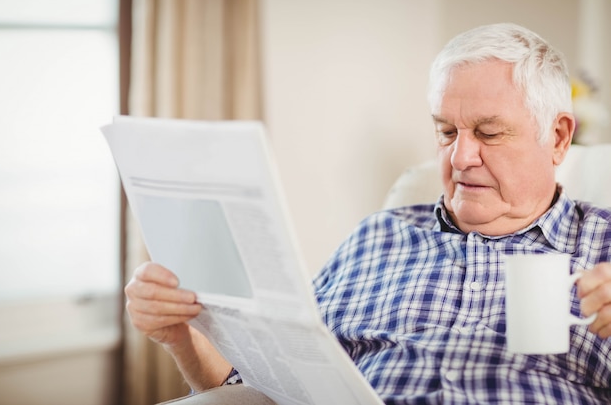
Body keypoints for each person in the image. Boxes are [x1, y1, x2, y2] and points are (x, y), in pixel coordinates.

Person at [125, 23, 611, 404]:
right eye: (446, 132)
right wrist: (182, 335)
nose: (461, 157)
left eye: (488, 133)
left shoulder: (603, 246)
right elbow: (257, 387)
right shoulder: (377, 236)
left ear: (559, 137)